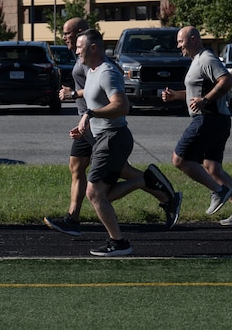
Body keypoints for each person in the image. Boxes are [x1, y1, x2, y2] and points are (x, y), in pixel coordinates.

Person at [45, 18, 181, 237]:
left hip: (104, 128)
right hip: (89, 126)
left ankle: (153, 188)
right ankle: (73, 219)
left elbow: (116, 94)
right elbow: (91, 88)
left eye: (68, 33)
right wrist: (75, 98)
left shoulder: (100, 66)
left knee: (106, 185)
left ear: (86, 39)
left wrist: (89, 113)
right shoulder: (90, 67)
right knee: (79, 170)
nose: (64, 38)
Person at [160, 26, 232, 225]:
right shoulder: (197, 60)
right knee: (213, 168)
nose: (178, 46)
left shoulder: (206, 59)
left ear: (194, 39)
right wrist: (175, 96)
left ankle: (218, 191)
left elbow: (227, 80)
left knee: (180, 159)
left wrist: (205, 100)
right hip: (217, 120)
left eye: (181, 41)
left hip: (208, 118)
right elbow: (195, 92)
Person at [66, 29, 149, 256]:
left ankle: (120, 242)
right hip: (103, 137)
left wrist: (91, 114)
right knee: (103, 194)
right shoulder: (93, 70)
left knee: (94, 193)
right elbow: (92, 93)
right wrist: (83, 120)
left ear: (93, 48)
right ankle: (143, 179)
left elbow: (122, 107)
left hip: (114, 138)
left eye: (79, 47)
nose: (76, 51)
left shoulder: (107, 72)